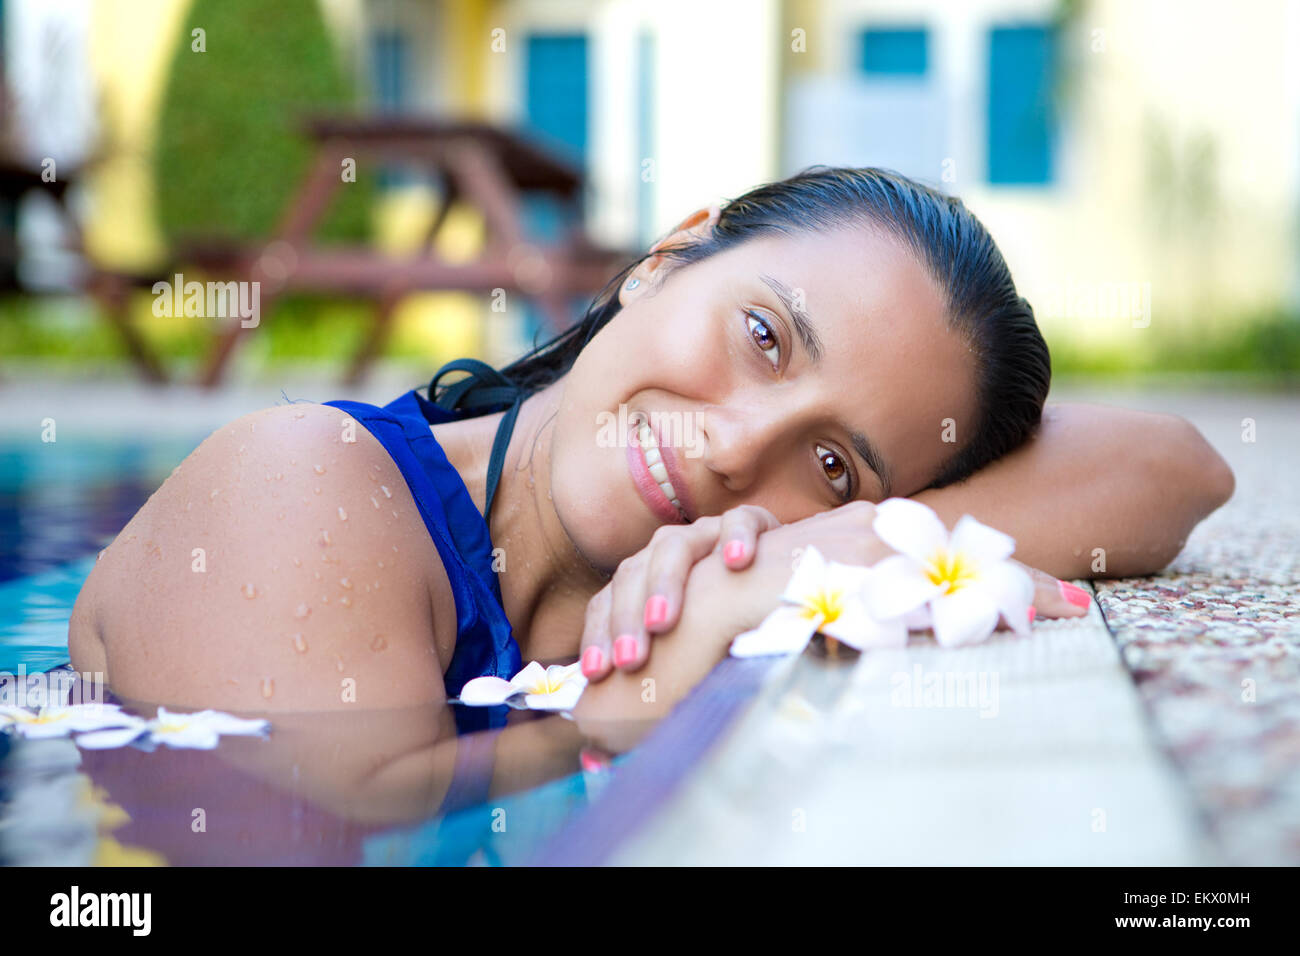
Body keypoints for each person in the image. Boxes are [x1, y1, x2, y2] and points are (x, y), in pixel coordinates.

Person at [68, 166, 1234, 734]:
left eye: (831, 460)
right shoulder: (298, 487)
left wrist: (846, 539)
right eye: (765, 336)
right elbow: (329, 826)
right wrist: (632, 701)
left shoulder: (725, 561)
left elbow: (1178, 465)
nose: (736, 446)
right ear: (667, 260)